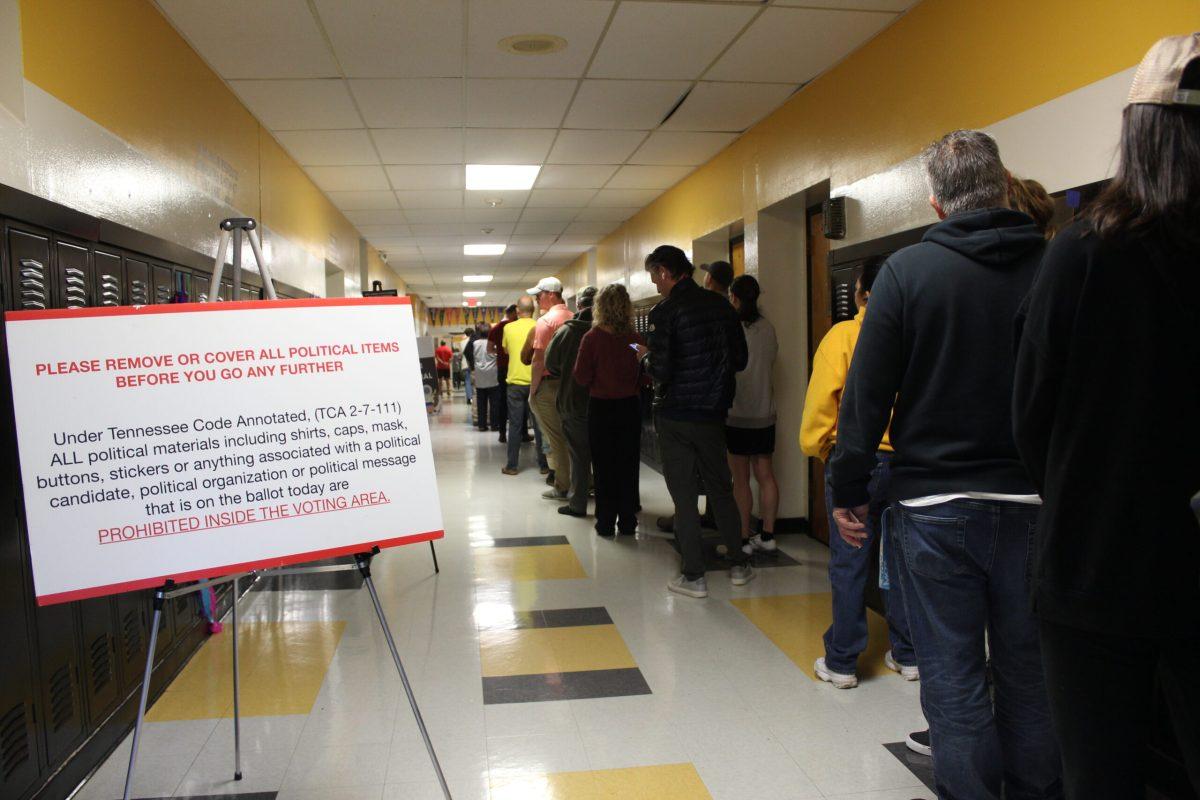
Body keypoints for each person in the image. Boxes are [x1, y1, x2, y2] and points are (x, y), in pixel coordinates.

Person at [829, 130, 1061, 798]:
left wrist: (850, 490)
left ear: (935, 202)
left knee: (954, 680)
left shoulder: (907, 273)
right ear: (1002, 183)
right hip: (1033, 504)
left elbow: (866, 398)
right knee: (1029, 676)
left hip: (932, 511)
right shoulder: (1052, 266)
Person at [1014, 35, 1200, 799]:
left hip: (1095, 568)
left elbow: (1033, 419)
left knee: (1100, 775)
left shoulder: (1084, 253)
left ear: (1137, 129)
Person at [800, 255, 916, 689]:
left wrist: (820, 448)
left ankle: (843, 661)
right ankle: (908, 654)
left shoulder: (844, 335)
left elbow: (821, 404)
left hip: (856, 463)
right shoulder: (913, 333)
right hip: (907, 464)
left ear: (861, 292)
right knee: (900, 560)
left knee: (849, 560)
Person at [638, 245, 752, 598]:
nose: (654, 284)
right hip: (713, 414)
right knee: (721, 488)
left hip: (676, 415)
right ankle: (738, 564)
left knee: (684, 496)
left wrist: (644, 359)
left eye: (654, 276)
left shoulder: (666, 312)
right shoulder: (721, 306)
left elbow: (662, 369)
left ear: (665, 271)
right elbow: (740, 359)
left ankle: (694, 576)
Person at [575, 285, 645, 537]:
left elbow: (581, 376)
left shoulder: (592, 339)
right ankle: (627, 520)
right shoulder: (635, 341)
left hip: (601, 408)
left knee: (603, 465)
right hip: (629, 407)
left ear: (599, 307)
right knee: (628, 463)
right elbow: (646, 373)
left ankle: (605, 521)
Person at [725, 275, 779, 557]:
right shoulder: (768, 329)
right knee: (766, 475)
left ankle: (743, 539)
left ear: (734, 297)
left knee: (741, 480)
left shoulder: (731, 328)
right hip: (765, 415)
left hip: (737, 415)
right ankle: (768, 535)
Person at [545, 286, 598, 519]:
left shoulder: (568, 331)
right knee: (606, 455)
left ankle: (578, 504)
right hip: (606, 402)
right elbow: (634, 349)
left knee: (579, 455)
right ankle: (615, 504)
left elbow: (551, 362)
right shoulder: (612, 331)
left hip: (572, 399)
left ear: (579, 306)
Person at [523, 278, 573, 500]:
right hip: (572, 385)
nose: (536, 299)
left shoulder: (545, 321)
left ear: (551, 294)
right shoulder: (574, 318)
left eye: (539, 295)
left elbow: (537, 360)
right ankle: (583, 482)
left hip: (549, 385)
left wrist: (533, 391)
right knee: (575, 437)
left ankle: (562, 486)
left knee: (556, 439)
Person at [501, 296, 542, 475]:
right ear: (533, 309)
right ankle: (545, 465)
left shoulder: (508, 328)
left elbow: (506, 350)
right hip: (536, 383)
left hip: (515, 384)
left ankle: (512, 465)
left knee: (516, 426)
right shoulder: (540, 326)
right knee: (540, 426)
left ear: (517, 310)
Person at [488, 305, 518, 443]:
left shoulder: (495, 328)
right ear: (513, 313)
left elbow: (489, 349)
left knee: (502, 400)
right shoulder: (515, 326)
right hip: (516, 366)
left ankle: (502, 433)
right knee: (518, 400)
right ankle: (522, 432)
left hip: (502, 368)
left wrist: (500, 353)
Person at [471, 325, 500, 433]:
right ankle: (494, 425)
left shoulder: (475, 343)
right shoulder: (493, 343)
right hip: (492, 375)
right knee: (494, 403)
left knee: (481, 403)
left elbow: (472, 356)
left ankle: (482, 425)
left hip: (480, 376)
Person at [462, 326, 477, 420]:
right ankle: (472, 398)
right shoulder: (474, 340)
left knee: (467, 381)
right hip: (474, 365)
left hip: (465, 364)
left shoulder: (462, 341)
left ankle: (469, 398)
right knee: (474, 384)